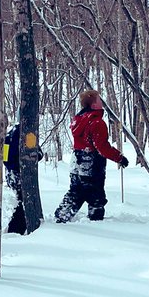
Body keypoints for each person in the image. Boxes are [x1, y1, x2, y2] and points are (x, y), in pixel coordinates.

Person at [54, 89, 128, 223]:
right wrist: (119, 157)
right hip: (91, 164)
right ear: (93, 105)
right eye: (99, 100)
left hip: (76, 162)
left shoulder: (78, 120)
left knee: (76, 191)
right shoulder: (97, 123)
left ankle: (61, 217)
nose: (101, 102)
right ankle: (96, 224)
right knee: (96, 196)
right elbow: (102, 147)